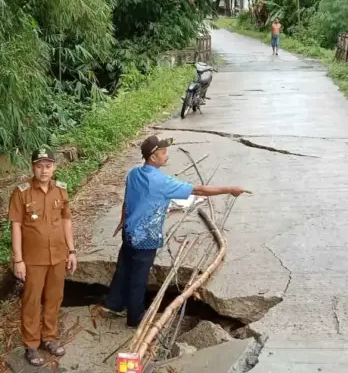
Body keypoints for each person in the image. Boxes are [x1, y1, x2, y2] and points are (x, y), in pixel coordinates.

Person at [100, 136, 251, 328]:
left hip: (129, 233)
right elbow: (199, 191)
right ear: (153, 157)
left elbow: (127, 199)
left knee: (123, 268)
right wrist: (229, 189)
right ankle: (135, 318)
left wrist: (123, 221)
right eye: (163, 153)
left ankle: (113, 305)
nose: (167, 156)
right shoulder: (161, 182)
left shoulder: (133, 174)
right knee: (138, 278)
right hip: (146, 238)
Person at [9, 148, 77, 366]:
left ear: (54, 167)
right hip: (33, 258)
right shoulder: (22, 193)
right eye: (39, 166)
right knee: (31, 300)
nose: (44, 170)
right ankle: (31, 344)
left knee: (54, 298)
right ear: (33, 168)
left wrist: (72, 251)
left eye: (48, 166)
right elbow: (16, 226)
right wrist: (18, 259)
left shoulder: (61, 191)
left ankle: (49, 337)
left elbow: (66, 221)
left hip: (58, 255)